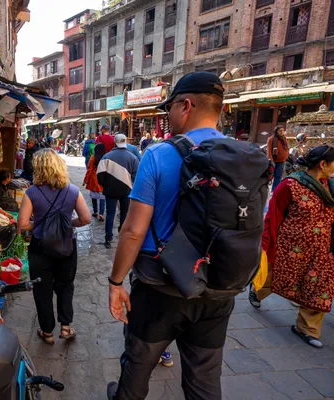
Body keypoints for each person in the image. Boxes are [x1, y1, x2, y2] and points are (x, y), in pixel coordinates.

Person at [106, 72, 233, 400]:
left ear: (186, 106)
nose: (168, 116)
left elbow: (134, 231)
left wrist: (116, 282)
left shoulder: (159, 154)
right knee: (205, 380)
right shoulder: (244, 156)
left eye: (170, 108)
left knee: (137, 368)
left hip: (160, 287)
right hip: (217, 290)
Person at [250, 145, 334, 349]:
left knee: (319, 288)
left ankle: (307, 329)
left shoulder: (331, 187)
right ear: (322, 164)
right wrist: (265, 244)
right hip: (290, 248)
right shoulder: (290, 185)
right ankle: (258, 290)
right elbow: (273, 215)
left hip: (322, 251)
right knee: (278, 276)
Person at [18, 149, 91, 344]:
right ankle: (66, 328)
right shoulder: (72, 190)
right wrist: (67, 224)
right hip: (66, 246)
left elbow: (23, 224)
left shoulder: (32, 192)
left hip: (40, 248)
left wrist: (41, 224)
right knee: (66, 285)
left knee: (42, 290)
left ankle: (47, 332)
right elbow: (85, 219)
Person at [96, 134, 139, 249]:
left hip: (110, 190)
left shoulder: (106, 157)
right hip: (127, 190)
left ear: (115, 143)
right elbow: (136, 176)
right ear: (125, 142)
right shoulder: (133, 158)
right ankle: (122, 236)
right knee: (124, 214)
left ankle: (108, 239)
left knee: (110, 214)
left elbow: (99, 175)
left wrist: (105, 184)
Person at [83, 143, 107, 222]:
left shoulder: (93, 157)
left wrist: (85, 180)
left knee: (94, 196)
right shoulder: (106, 158)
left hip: (94, 179)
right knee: (102, 197)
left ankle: (95, 211)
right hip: (103, 178)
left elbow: (89, 170)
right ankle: (101, 213)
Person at [267, 125, 289, 192]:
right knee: (269, 176)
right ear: (276, 131)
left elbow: (287, 148)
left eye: (283, 131)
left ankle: (274, 191)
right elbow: (269, 151)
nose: (282, 132)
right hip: (273, 161)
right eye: (280, 131)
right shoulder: (271, 139)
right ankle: (265, 190)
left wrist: (287, 154)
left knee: (278, 177)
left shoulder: (284, 139)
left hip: (281, 161)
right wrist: (271, 160)